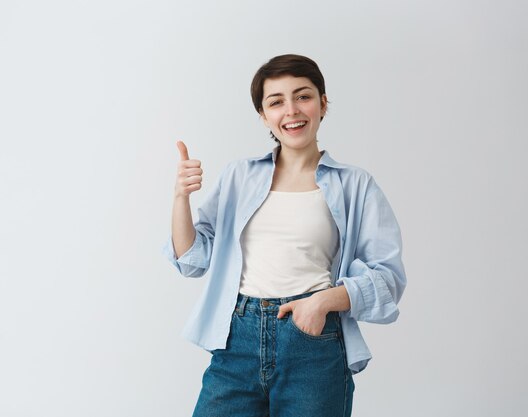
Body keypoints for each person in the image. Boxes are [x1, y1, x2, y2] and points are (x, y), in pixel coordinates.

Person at [163, 54, 407, 417]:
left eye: (303, 96)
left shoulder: (355, 185)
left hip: (312, 342)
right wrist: (181, 196)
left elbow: (388, 278)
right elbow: (192, 259)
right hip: (237, 340)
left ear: (323, 104)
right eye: (276, 102)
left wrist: (321, 302)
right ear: (264, 116)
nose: (291, 110)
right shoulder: (239, 177)